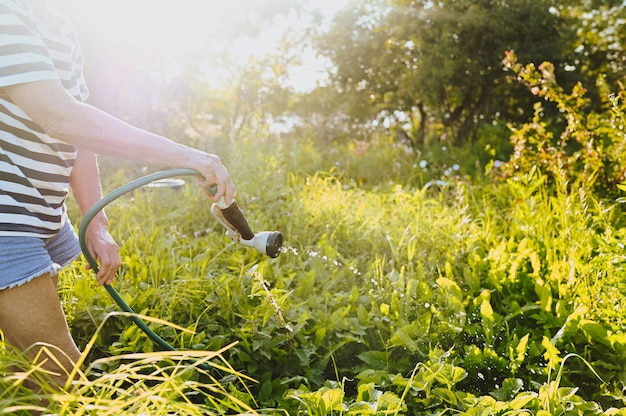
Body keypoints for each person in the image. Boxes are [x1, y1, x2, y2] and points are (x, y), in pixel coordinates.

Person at [0, 0, 236, 390]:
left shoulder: (58, 24)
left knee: (30, 375)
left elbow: (77, 130)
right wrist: (186, 155)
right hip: (7, 220)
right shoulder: (7, 13)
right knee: (63, 380)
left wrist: (97, 222)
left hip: (38, 213)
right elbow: (58, 117)